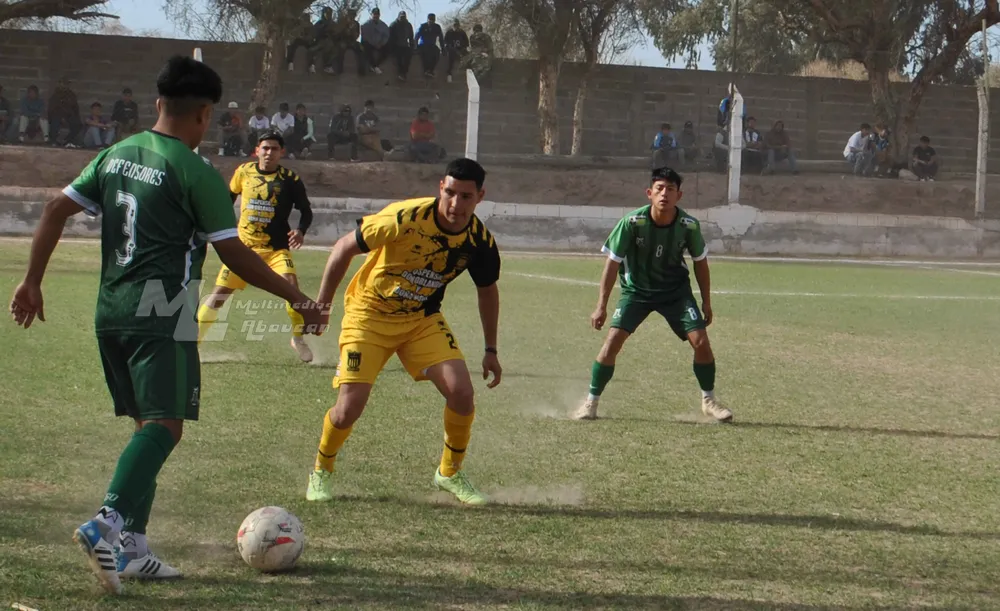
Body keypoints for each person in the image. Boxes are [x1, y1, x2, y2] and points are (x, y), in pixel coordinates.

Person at [7, 56, 324, 596]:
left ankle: (132, 548)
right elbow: (236, 253)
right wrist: (297, 295)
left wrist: (32, 280)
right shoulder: (193, 170)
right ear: (204, 114)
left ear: (158, 103)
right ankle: (105, 524)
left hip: (111, 309)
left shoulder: (115, 153)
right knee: (165, 426)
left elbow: (55, 209)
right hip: (163, 310)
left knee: (146, 423)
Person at [306, 158, 503, 506]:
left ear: (480, 197)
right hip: (368, 315)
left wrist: (491, 349)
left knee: (461, 393)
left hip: (420, 319)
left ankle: (449, 472)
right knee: (348, 408)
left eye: (466, 197)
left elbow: (487, 290)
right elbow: (342, 248)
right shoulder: (404, 218)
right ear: (440, 188)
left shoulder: (479, 241)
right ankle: (321, 469)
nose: (456, 204)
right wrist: (322, 305)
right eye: (451, 193)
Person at [574, 166, 732, 423]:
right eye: (659, 188)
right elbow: (612, 264)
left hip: (675, 293)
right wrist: (600, 305)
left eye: (671, 189)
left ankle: (709, 400)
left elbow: (700, 262)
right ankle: (590, 402)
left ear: (679, 196)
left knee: (701, 342)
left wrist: (706, 301)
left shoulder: (688, 226)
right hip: (636, 292)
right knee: (613, 341)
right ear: (649, 193)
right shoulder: (631, 223)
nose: (664, 194)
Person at [196, 129, 316, 362]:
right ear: (257, 150)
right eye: (265, 148)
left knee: (293, 291)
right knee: (218, 296)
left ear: (282, 152)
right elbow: (226, 200)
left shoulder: (290, 180)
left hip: (276, 250)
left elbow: (306, 211)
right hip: (244, 250)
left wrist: (300, 230)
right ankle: (193, 345)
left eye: (274, 148)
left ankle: (298, 339)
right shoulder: (243, 172)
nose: (269, 152)